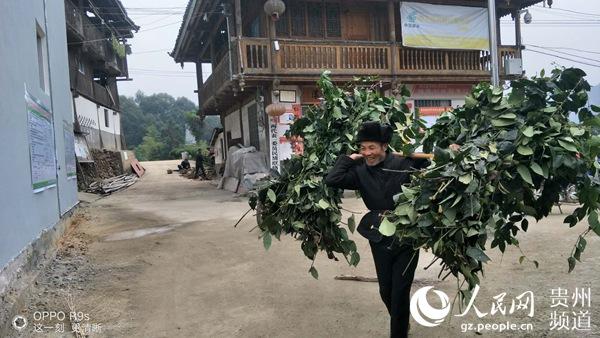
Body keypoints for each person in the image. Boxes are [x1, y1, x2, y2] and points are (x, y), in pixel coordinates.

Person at [325, 121, 457, 338]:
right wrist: (348, 159)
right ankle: (401, 321)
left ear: (384, 146)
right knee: (386, 290)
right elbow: (332, 179)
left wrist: (449, 152)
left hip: (407, 234)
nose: (367, 153)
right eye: (363, 148)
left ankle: (398, 332)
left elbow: (440, 167)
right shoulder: (360, 171)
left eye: (372, 148)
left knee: (400, 290)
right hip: (378, 235)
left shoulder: (406, 162)